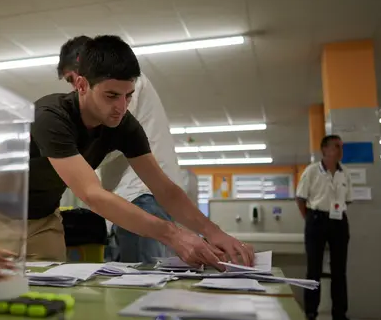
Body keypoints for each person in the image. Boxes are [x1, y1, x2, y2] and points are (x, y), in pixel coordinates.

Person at [22, 34, 252, 267]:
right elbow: (92, 194)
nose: (121, 108)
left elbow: (164, 189)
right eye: (111, 96)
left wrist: (214, 232)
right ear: (81, 85)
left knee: (47, 288)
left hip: (44, 219)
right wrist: (173, 235)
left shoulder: (123, 125)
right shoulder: (50, 117)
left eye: (128, 96)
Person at [56, 35, 183, 263]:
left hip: (141, 194)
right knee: (124, 278)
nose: (74, 87)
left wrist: (61, 154)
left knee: (141, 281)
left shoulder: (121, 86)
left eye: (71, 78)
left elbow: (103, 135)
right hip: (128, 195)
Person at [296, 134, 356, 320]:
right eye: (336, 146)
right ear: (325, 150)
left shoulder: (344, 172)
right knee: (314, 268)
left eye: (341, 146)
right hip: (316, 218)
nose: (340, 150)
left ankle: (339, 314)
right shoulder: (312, 171)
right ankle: (311, 311)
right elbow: (300, 198)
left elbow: (347, 199)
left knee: (340, 269)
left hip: (338, 220)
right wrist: (311, 219)